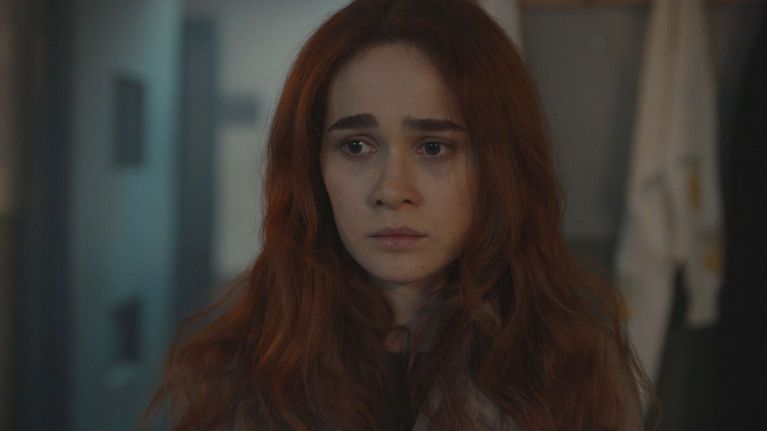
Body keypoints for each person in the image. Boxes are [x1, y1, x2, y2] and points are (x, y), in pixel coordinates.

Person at [143, 0, 653, 429]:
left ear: (497, 166)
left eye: (433, 146)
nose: (392, 190)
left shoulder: (573, 369)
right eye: (356, 146)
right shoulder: (234, 368)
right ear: (313, 167)